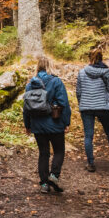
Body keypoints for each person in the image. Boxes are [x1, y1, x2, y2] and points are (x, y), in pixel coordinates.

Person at [22, 55, 71, 193]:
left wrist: (27, 125)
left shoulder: (29, 85)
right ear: (50, 66)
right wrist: (66, 122)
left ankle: (44, 184)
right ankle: (54, 175)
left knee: (43, 153)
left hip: (37, 125)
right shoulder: (56, 82)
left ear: (38, 66)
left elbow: (26, 107)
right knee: (59, 151)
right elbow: (64, 104)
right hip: (55, 124)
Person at [75, 48, 109, 172]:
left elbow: (78, 92)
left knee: (88, 135)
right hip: (103, 107)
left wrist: (82, 103)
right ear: (101, 58)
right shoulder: (105, 71)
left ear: (89, 58)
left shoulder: (82, 72)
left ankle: (91, 163)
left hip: (86, 107)